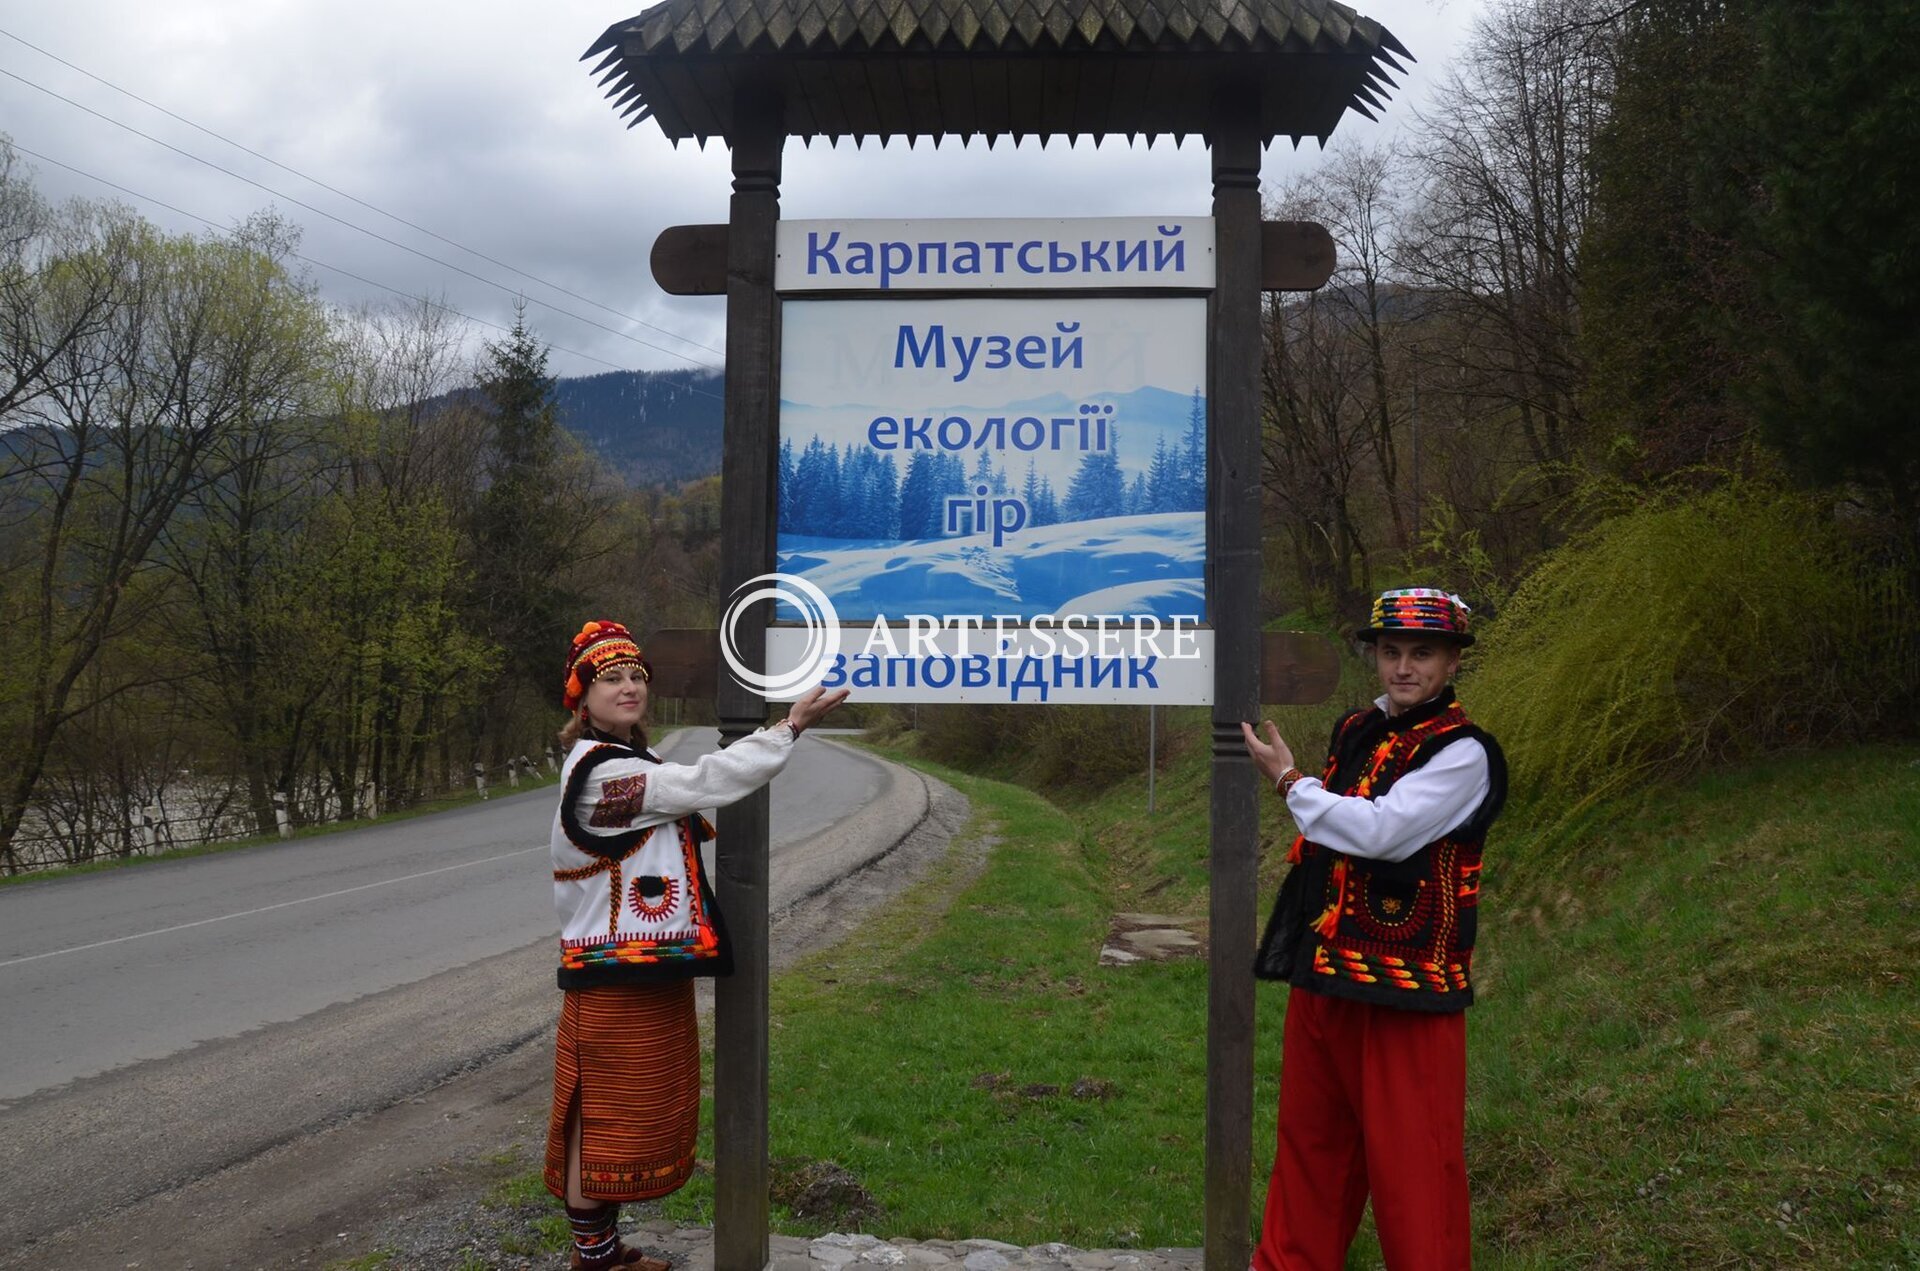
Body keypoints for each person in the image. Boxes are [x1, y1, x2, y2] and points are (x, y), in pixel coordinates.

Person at [543, 619, 848, 1270]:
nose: (628, 688)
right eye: (609, 678)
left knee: (620, 1121)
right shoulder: (605, 780)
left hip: (638, 974)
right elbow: (704, 781)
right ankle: (594, 1260)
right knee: (599, 1124)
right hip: (613, 981)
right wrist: (787, 727)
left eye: (635, 677)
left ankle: (603, 1252)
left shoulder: (621, 763)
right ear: (581, 696)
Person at [1240, 588, 1508, 1271]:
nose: (1404, 667)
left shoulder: (1464, 753)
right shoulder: (1357, 728)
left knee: (1415, 1171)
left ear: (1451, 661)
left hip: (1407, 991)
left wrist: (1291, 784)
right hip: (1327, 972)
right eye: (1391, 652)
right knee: (1309, 1151)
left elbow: (1383, 833)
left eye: (1422, 653)